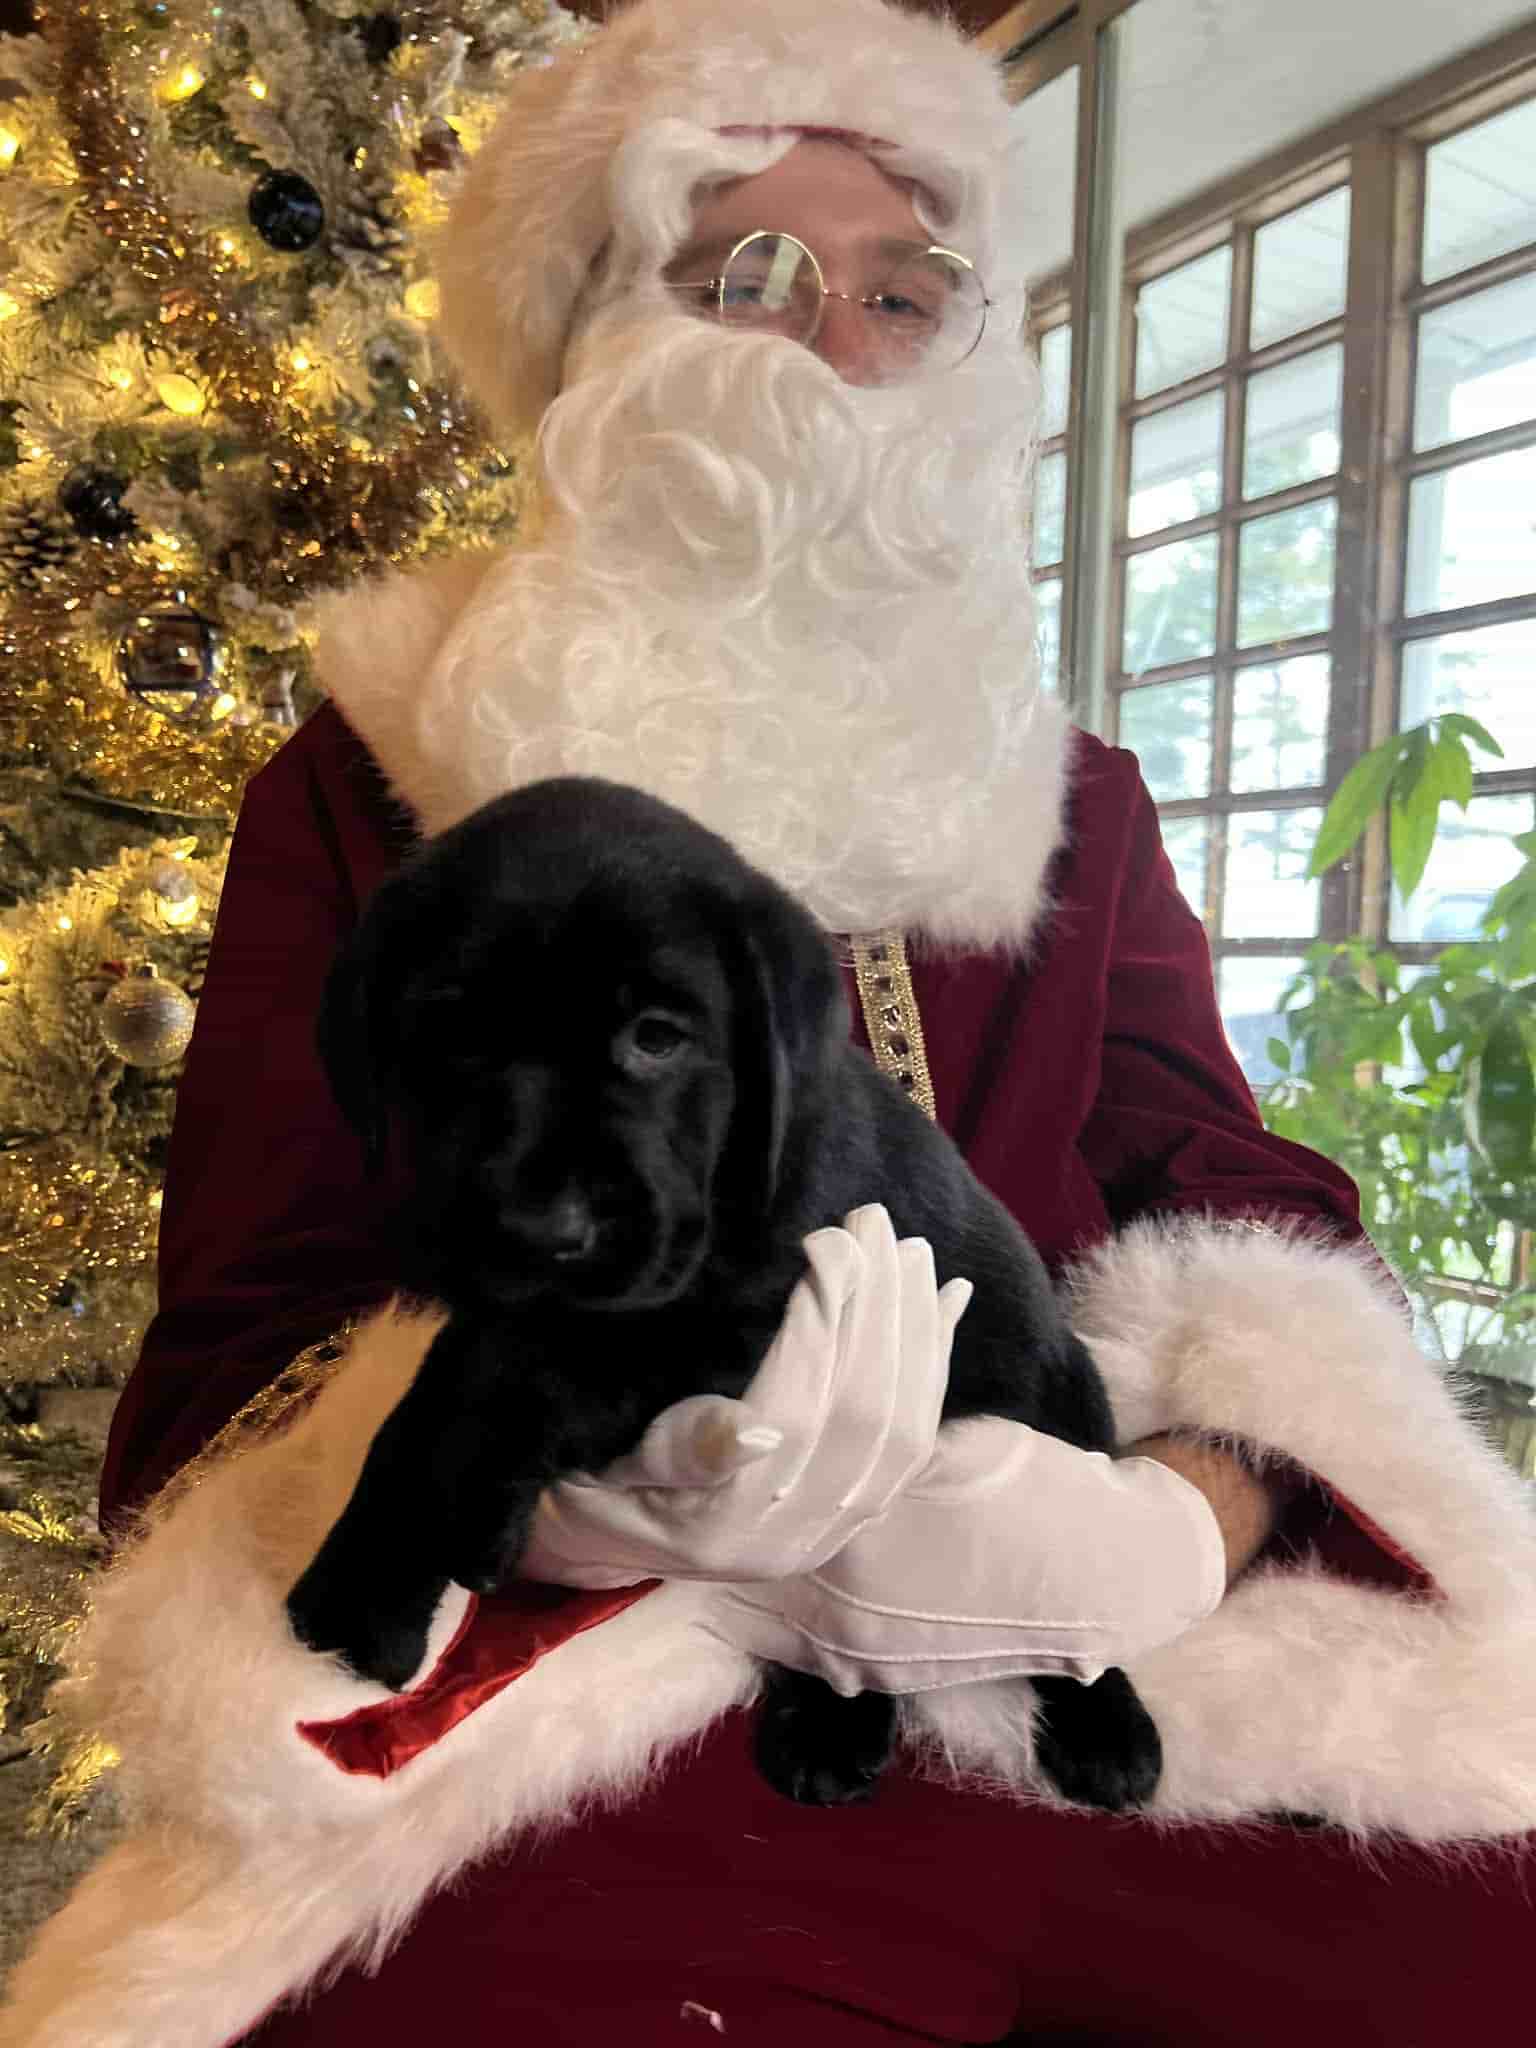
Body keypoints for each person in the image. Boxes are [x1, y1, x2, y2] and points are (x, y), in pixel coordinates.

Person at [14, 1, 1535, 2043]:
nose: (835, 340)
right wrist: (569, 1483)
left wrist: (1175, 1512)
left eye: (906, 288)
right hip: (587, 1681)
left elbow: (1252, 1208)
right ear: (593, 339)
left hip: (1074, 1639)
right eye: (745, 275)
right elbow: (245, 1337)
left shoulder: (1079, 799)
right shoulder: (369, 781)